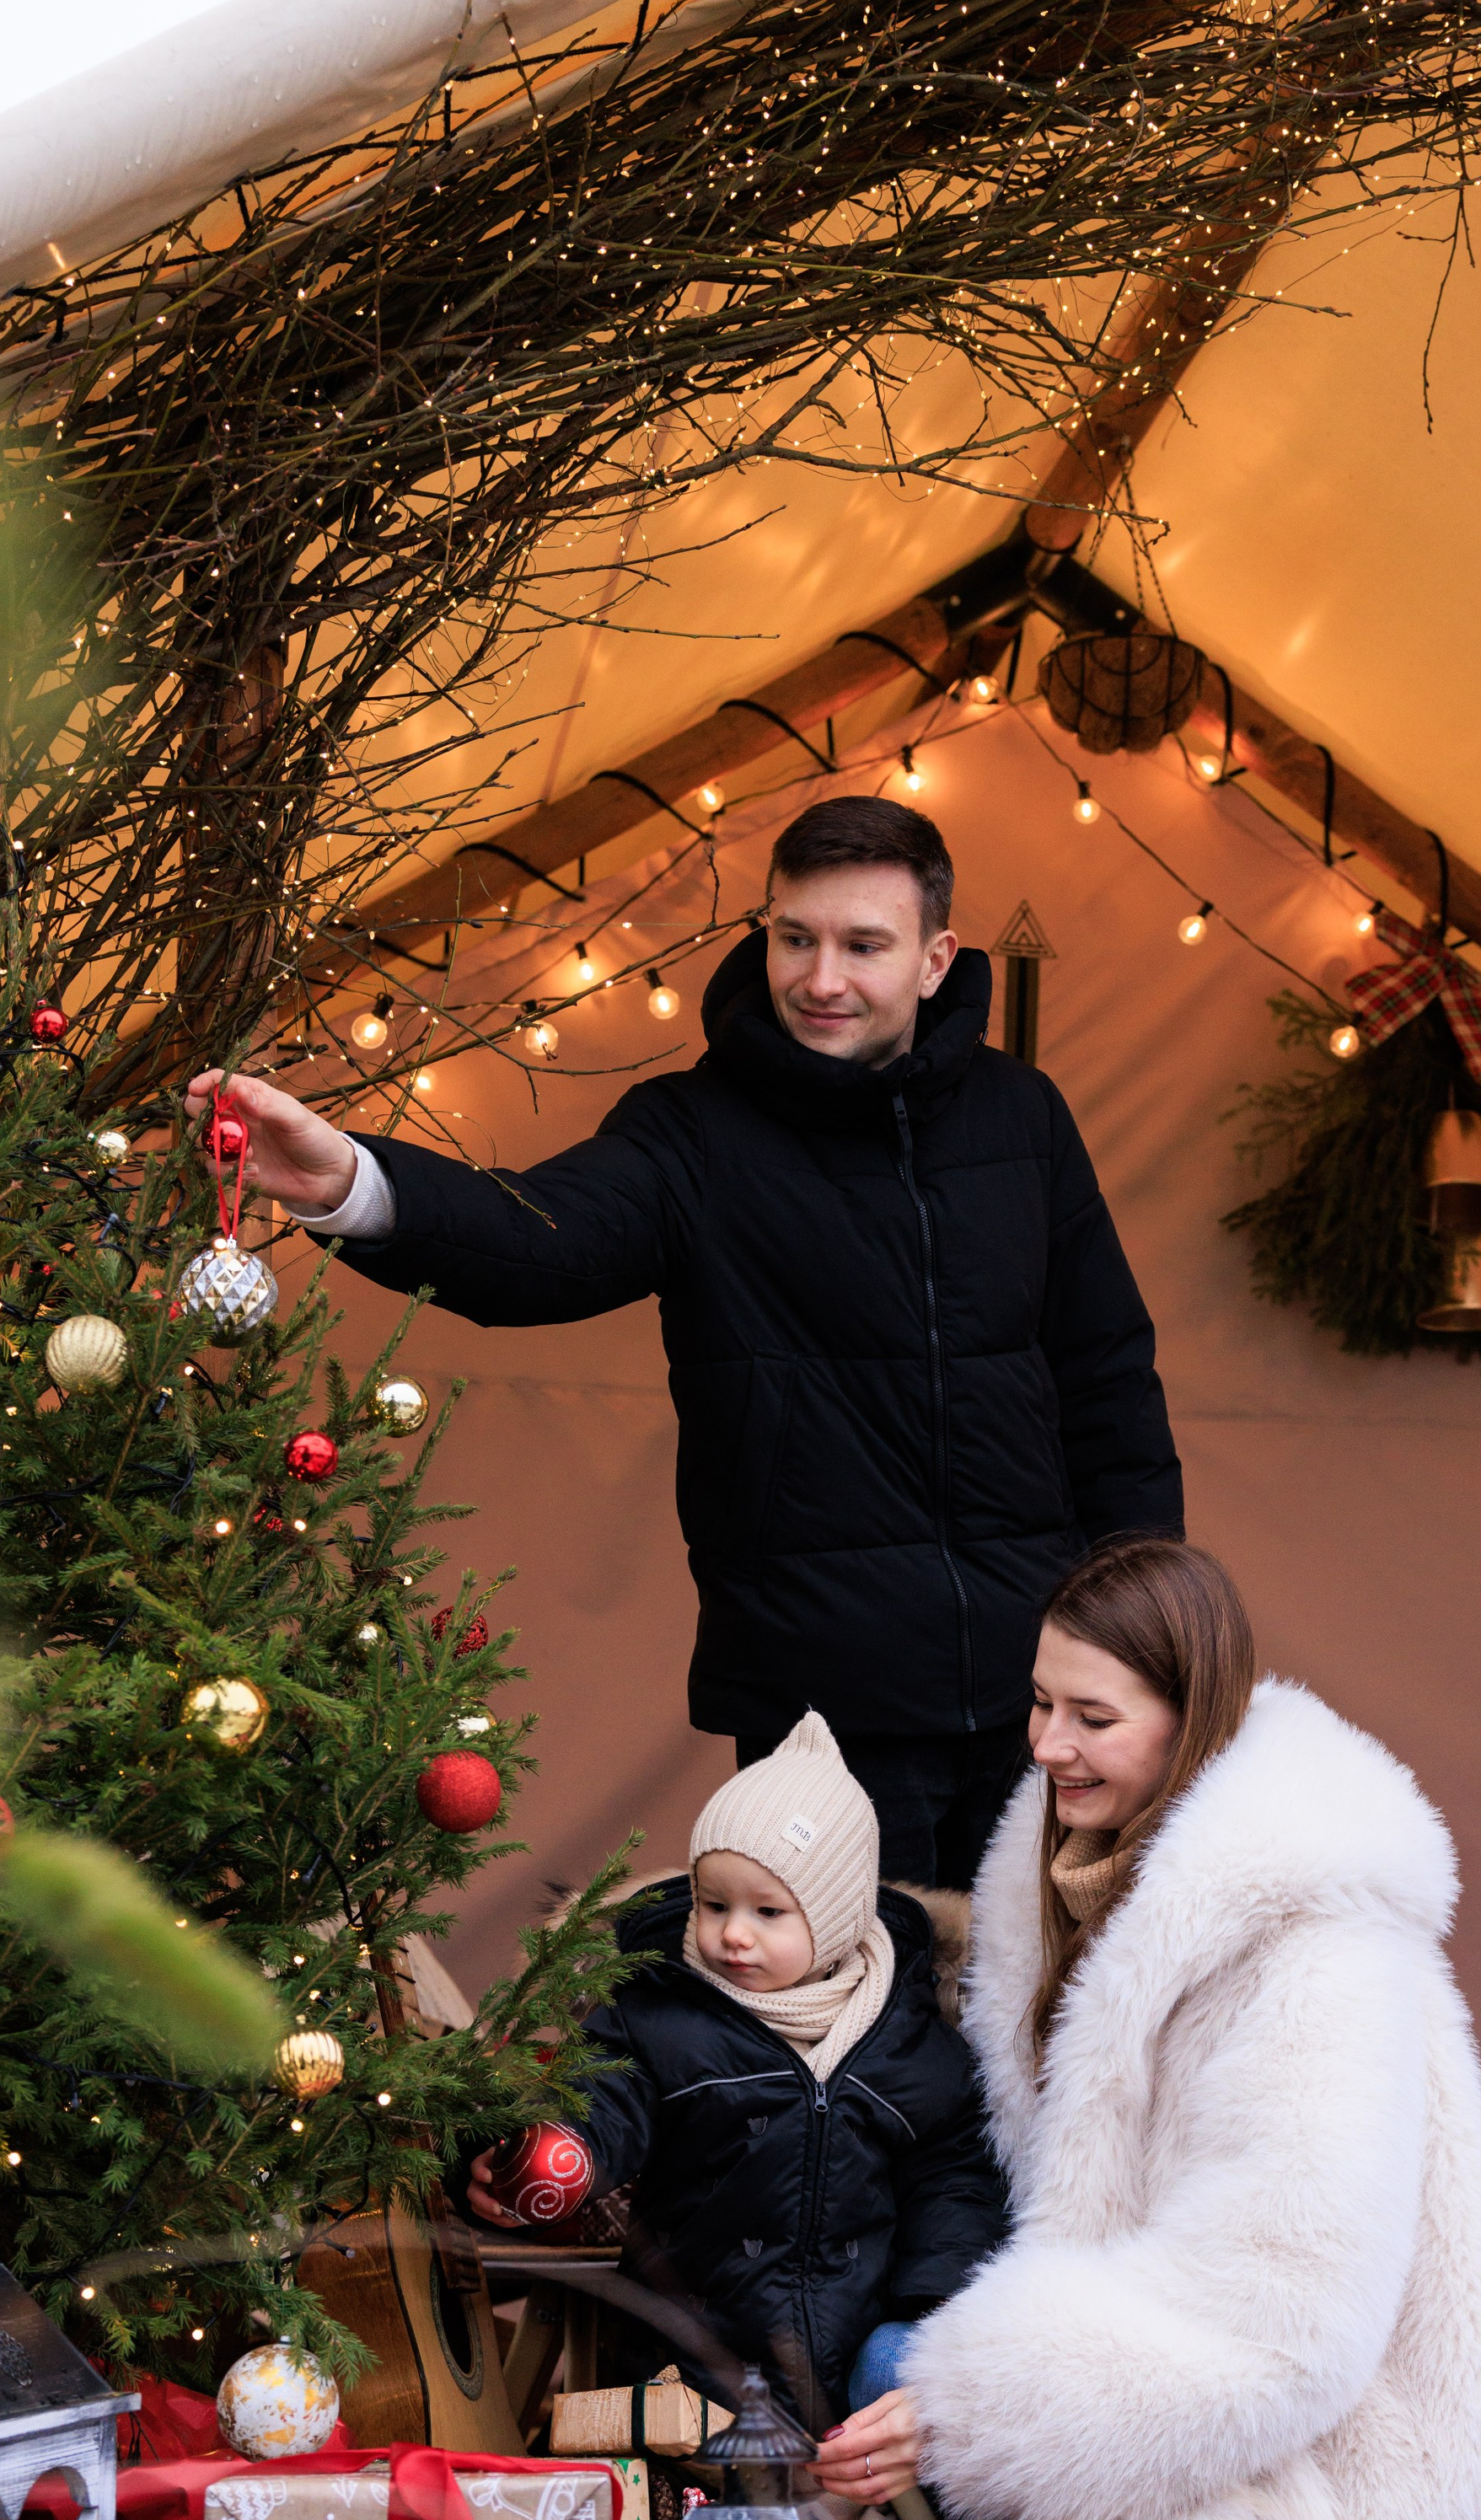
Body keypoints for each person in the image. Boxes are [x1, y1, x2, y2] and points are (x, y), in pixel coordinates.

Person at [189, 793, 1182, 1889]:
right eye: (795, 938)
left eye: (863, 945)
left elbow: (1107, 1380)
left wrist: (1141, 1642)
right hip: (823, 1702)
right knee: (854, 1998)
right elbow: (539, 1243)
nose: (821, 978)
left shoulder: (1022, 1118)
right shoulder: (694, 1131)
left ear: (935, 960)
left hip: (1040, 1699)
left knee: (1044, 1989)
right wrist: (351, 1182)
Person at [818, 1536, 1481, 2520]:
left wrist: (972, 2411)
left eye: (1092, 1717)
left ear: (1193, 1719)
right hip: (1179, 2378)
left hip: (1350, 2439)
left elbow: (1279, 2328)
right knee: (885, 2367)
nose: (1047, 1746)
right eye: (1040, 1704)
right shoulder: (1074, 1883)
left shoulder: (1316, 1957)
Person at [461, 1708, 1008, 2435]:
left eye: (768, 1912)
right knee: (697, 2480)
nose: (733, 1934)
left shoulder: (908, 2041)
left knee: (891, 2398)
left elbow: (952, 2178)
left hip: (849, 2357)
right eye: (714, 1904)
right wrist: (558, 2153)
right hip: (693, 2359)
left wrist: (934, 2301)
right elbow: (602, 2098)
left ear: (838, 1918)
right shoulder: (661, 2014)